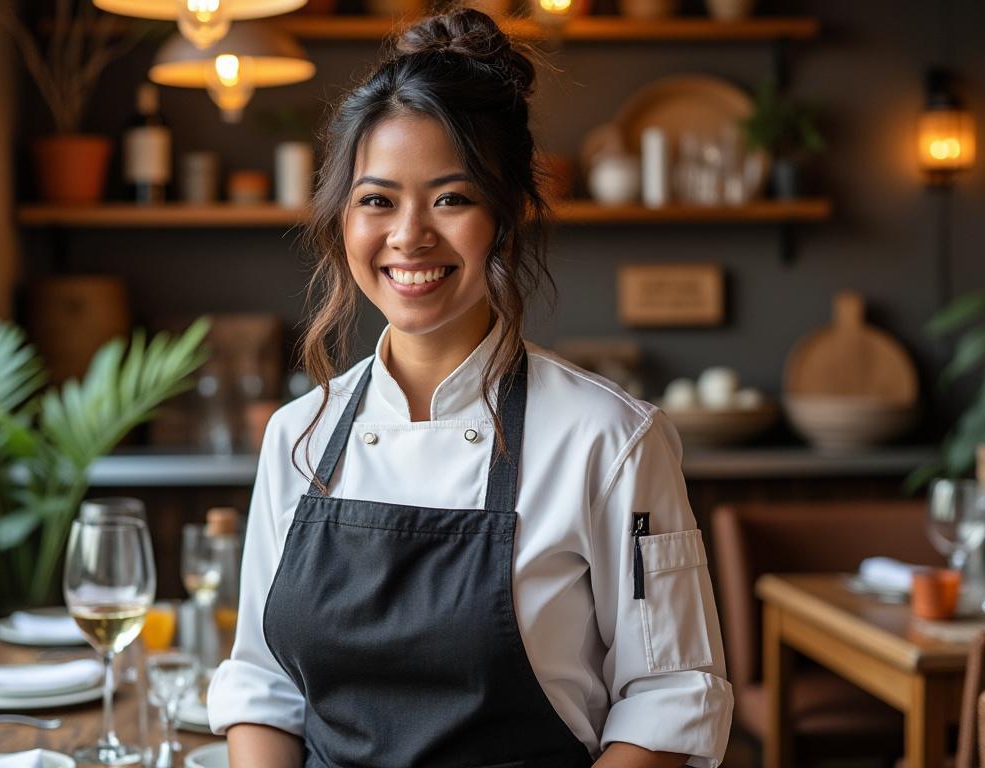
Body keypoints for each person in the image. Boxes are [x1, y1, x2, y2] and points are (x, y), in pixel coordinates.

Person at [206, 9, 733, 767]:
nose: (409, 235)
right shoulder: (299, 435)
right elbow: (262, 685)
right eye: (377, 200)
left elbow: (670, 696)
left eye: (450, 199)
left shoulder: (610, 439)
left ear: (506, 217)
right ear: (341, 220)